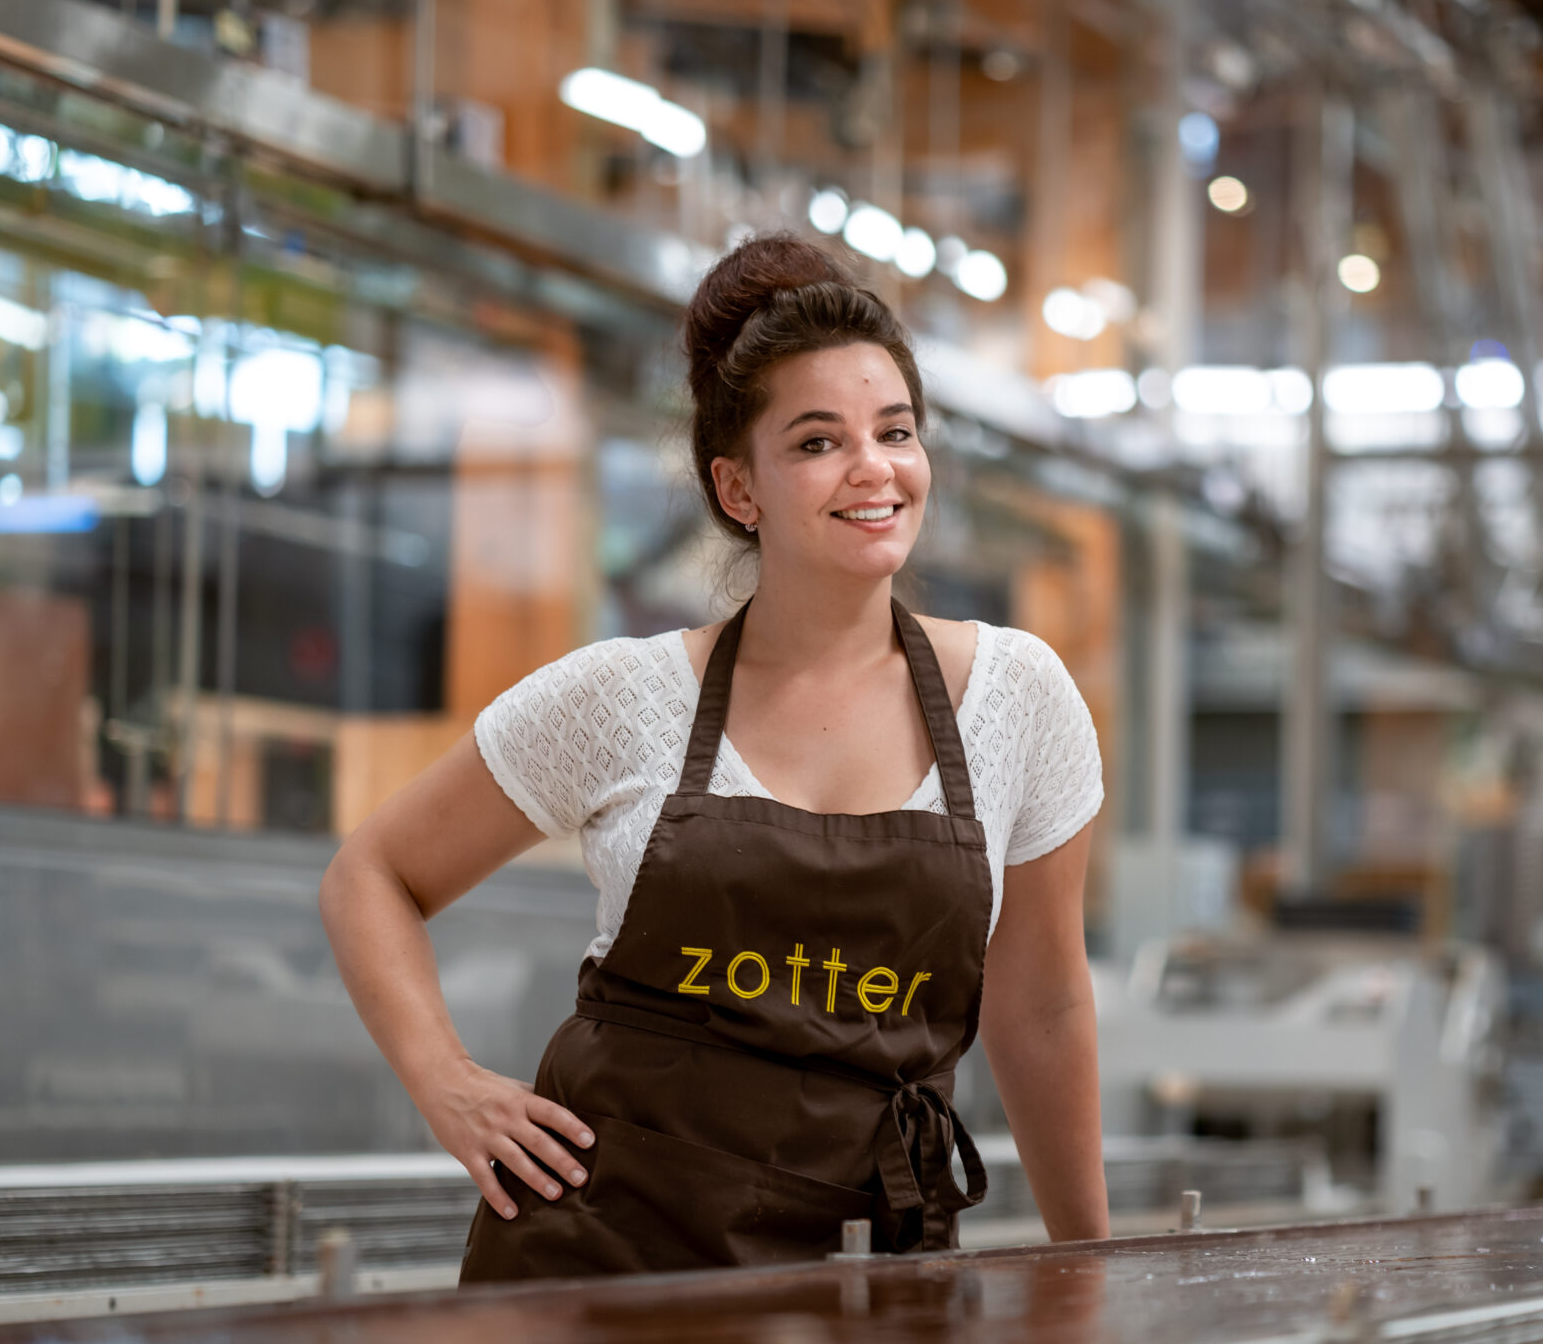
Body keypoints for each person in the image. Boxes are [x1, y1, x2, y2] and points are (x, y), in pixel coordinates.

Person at [321, 234, 1110, 1275]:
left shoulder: (1017, 698)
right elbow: (369, 875)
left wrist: (1087, 1270)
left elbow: (1041, 1005)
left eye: (896, 431)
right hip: (599, 1266)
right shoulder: (622, 697)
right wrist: (448, 1083)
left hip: (865, 1265)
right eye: (818, 442)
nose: (873, 468)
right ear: (740, 491)